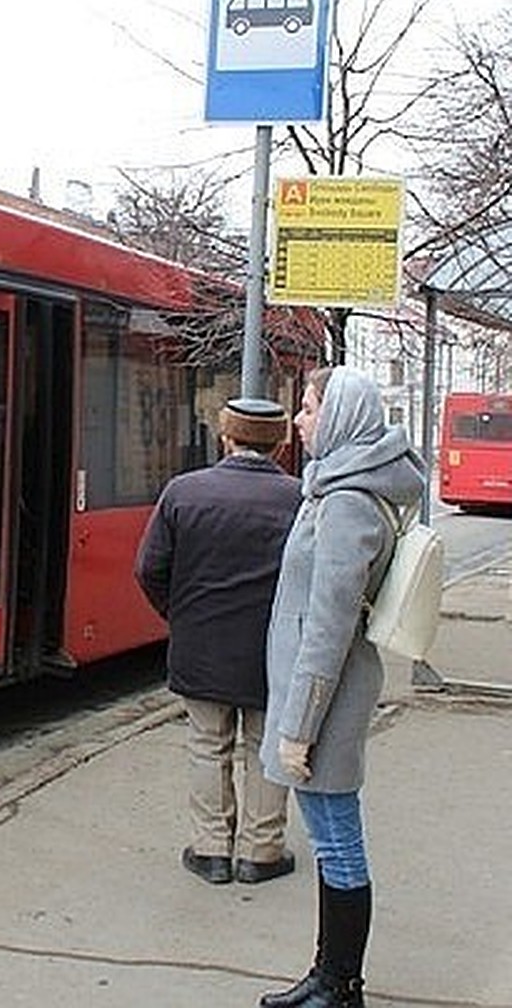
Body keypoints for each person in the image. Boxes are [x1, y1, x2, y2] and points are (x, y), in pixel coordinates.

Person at [258, 367, 426, 1008]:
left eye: (308, 406)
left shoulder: (349, 501)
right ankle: (327, 977)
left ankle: (340, 985)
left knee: (337, 841)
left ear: (341, 415)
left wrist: (298, 729)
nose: (298, 419)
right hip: (320, 695)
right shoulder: (335, 486)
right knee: (333, 842)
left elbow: (328, 627)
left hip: (325, 702)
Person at [134, 397, 302, 886]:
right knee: (264, 749)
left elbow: (149, 569)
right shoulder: (300, 498)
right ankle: (260, 852)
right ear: (279, 443)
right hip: (271, 652)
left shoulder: (184, 492)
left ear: (226, 437)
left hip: (200, 646)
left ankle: (210, 850)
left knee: (207, 746)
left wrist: (180, 615)